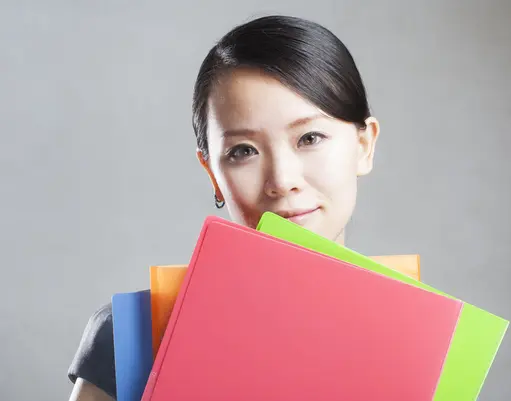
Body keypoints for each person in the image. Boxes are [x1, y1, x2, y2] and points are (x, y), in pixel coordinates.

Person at [67, 14, 380, 400]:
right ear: (212, 172)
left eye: (310, 137)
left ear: (364, 147)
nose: (282, 180)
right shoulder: (131, 336)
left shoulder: (420, 338)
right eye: (243, 151)